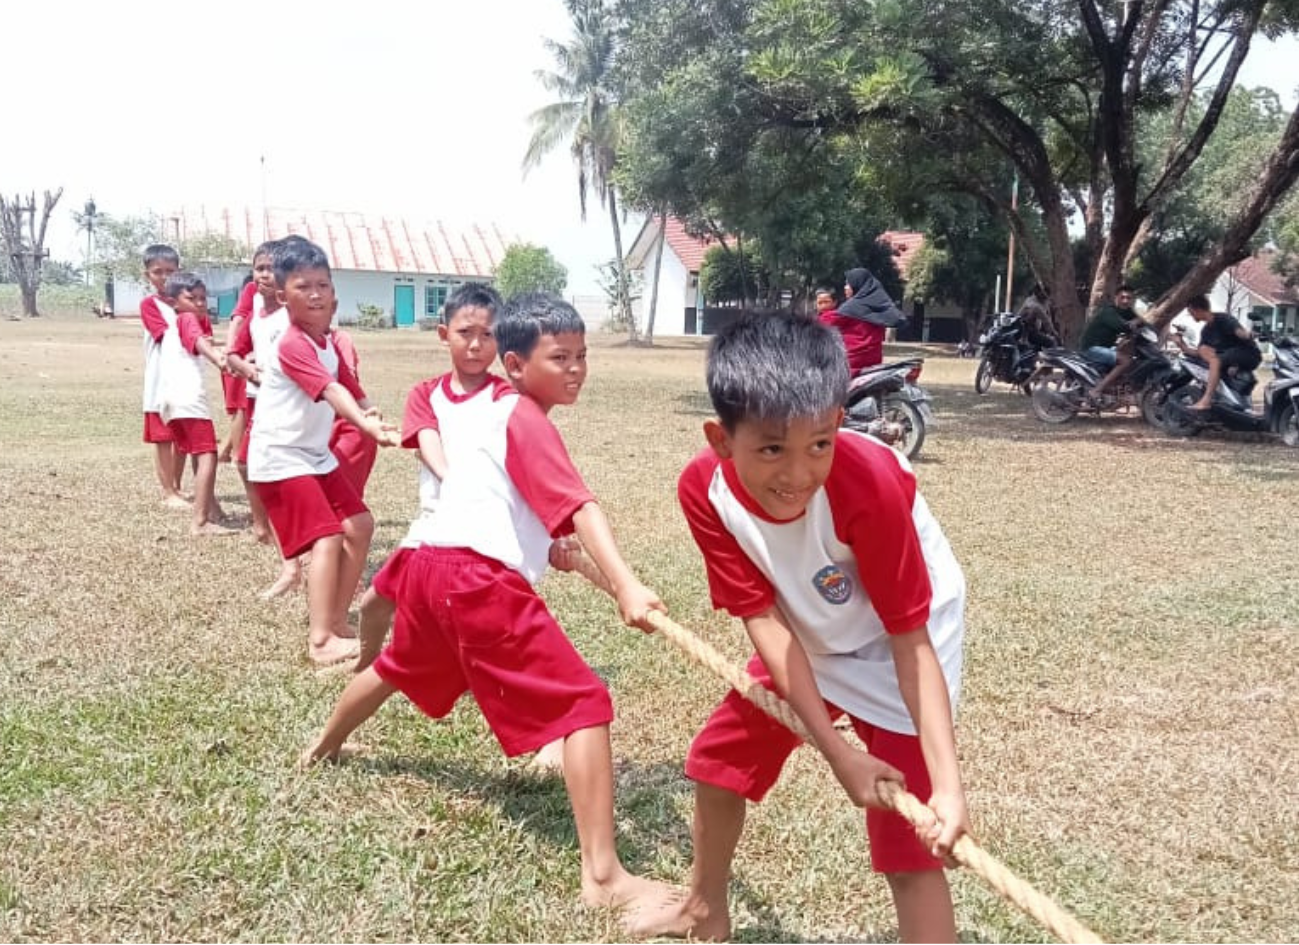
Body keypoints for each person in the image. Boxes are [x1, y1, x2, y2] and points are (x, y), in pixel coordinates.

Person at [302, 292, 675, 924]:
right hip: (476, 580)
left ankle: (322, 748)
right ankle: (604, 876)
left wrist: (540, 542)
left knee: (396, 666)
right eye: (560, 358)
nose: (577, 369)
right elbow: (580, 506)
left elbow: (509, 500)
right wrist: (628, 584)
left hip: (430, 568)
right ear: (516, 363)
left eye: (583, 356)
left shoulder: (498, 414)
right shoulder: (524, 416)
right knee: (585, 705)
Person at [631, 311, 970, 944]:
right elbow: (764, 616)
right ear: (720, 439)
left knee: (911, 849)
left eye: (819, 443)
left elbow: (910, 639)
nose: (798, 474)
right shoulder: (704, 492)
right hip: (807, 633)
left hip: (902, 642)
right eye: (771, 449)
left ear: (839, 421)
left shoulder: (867, 483)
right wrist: (838, 751)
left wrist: (949, 790)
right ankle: (705, 909)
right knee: (718, 762)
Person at [246, 238, 399, 665]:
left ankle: (335, 619)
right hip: (281, 457)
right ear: (282, 296)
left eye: (322, 285)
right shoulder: (291, 344)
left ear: (333, 293)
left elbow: (347, 382)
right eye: (302, 287)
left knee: (361, 525)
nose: (314, 294)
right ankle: (321, 640)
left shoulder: (327, 341)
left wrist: (372, 411)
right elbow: (330, 391)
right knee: (328, 536)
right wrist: (363, 423)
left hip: (313, 455)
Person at [354, 282, 512, 672]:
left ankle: (474, 670)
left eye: (487, 335)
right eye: (465, 333)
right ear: (444, 335)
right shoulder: (426, 393)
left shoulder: (508, 398)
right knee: (374, 603)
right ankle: (367, 661)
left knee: (478, 613)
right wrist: (453, 480)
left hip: (484, 527)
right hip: (436, 521)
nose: (476, 345)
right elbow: (428, 440)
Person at [157, 271, 237, 537]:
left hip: (172, 402)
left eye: (203, 298)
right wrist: (218, 359)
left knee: (196, 451)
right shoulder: (188, 320)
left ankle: (211, 508)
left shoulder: (176, 324)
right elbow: (199, 342)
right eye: (192, 298)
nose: (200, 303)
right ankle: (200, 521)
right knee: (208, 455)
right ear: (174, 301)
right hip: (188, 400)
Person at [138, 243, 187, 508]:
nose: (165, 277)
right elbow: (166, 336)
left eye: (170, 271)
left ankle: (177, 485)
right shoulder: (150, 305)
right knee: (162, 437)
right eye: (158, 271)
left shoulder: (186, 302)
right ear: (148, 275)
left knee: (182, 435)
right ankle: (167, 491)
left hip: (185, 380)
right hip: (160, 381)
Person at [1175, 294, 1262, 411]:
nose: (1191, 316)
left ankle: (1206, 400)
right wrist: (1182, 345)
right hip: (1232, 358)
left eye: (1191, 312)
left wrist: (1249, 334)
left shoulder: (1223, 319)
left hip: (1248, 353)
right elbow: (1198, 353)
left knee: (1216, 361)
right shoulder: (1205, 331)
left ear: (1198, 309)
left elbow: (1240, 333)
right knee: (1205, 351)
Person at [819, 268, 905, 373]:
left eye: (848, 284)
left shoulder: (853, 306)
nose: (845, 288)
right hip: (874, 363)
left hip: (850, 363)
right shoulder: (879, 307)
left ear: (857, 285)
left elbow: (823, 322)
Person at [1079, 283, 1144, 400]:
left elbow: (1142, 321)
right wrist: (1135, 322)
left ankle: (1114, 388)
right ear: (1116, 298)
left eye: (1129, 298)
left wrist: (1139, 321)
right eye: (1122, 297)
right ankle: (1096, 390)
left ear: (1132, 300)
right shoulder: (1108, 312)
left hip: (1105, 348)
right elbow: (1123, 327)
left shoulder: (1126, 311)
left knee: (1130, 356)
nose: (1125, 301)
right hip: (1091, 348)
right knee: (1125, 361)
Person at [218, 275, 256, 464]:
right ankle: (237, 456)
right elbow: (238, 321)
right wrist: (232, 353)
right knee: (241, 407)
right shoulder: (254, 289)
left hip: (250, 360)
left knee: (247, 408)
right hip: (242, 360)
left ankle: (226, 451)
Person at [1017, 283, 1059, 349]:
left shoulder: (1040, 301)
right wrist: (1055, 334)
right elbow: (1046, 321)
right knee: (1051, 343)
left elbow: (1048, 317)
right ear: (1038, 293)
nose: (1046, 297)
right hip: (1027, 333)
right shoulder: (1035, 305)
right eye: (1044, 295)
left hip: (1033, 330)